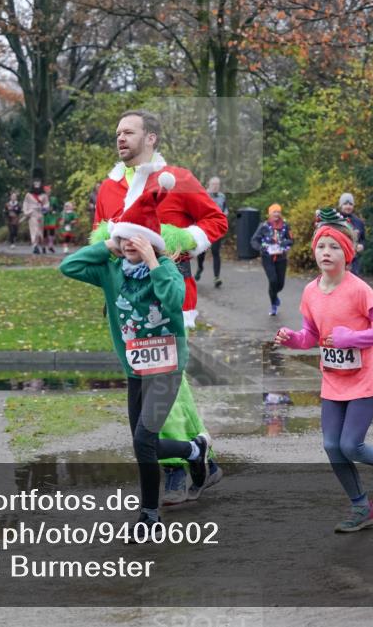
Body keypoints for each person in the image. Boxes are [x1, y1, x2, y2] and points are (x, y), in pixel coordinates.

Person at [60, 179, 212, 537]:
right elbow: (69, 266)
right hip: (136, 369)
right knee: (143, 444)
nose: (130, 244)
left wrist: (152, 260)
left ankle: (148, 515)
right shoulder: (111, 270)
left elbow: (174, 300)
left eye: (137, 238)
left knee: (144, 440)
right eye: (125, 238)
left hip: (168, 367)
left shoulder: (167, 269)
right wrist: (110, 243)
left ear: (152, 243)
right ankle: (194, 450)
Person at [91, 109, 228, 504]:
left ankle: (174, 469)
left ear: (150, 138)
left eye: (129, 132)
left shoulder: (178, 179)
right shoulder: (108, 188)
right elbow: (102, 243)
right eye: (117, 132)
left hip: (170, 296)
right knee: (169, 385)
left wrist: (175, 240)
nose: (120, 138)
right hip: (127, 304)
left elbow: (216, 222)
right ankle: (202, 457)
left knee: (164, 381)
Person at [274, 222, 373, 533]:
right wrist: (293, 339)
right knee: (332, 446)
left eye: (334, 247)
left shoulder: (359, 289)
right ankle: (362, 506)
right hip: (333, 380)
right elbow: (311, 335)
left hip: (362, 380)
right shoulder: (310, 291)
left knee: (351, 445)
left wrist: (351, 337)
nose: (326, 252)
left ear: (346, 254)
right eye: (321, 246)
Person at [251, 204, 294, 316]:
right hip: (267, 257)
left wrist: (283, 244)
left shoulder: (285, 226)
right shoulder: (264, 226)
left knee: (280, 284)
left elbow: (291, 240)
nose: (276, 214)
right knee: (273, 280)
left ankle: (274, 295)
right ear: (270, 213)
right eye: (274, 212)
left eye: (278, 212)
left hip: (281, 257)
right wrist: (261, 248)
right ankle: (273, 304)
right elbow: (254, 240)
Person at [196, 176, 227, 288]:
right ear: (209, 184)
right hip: (204, 229)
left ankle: (216, 277)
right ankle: (200, 267)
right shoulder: (203, 195)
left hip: (216, 228)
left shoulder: (222, 197)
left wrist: (223, 218)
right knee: (201, 252)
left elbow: (225, 210)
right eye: (213, 184)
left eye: (217, 184)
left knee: (215, 251)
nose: (215, 186)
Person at [338, 193, 366, 275]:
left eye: (350, 204)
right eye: (345, 204)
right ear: (341, 205)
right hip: (338, 259)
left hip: (354, 261)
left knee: (353, 284)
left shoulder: (359, 222)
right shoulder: (335, 221)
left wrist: (362, 245)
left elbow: (363, 239)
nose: (348, 206)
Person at [23, 173, 49, 254]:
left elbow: (46, 204)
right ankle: (35, 246)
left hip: (40, 214)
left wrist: (44, 209)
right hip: (32, 214)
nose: (37, 184)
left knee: (40, 232)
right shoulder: (28, 195)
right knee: (34, 231)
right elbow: (25, 204)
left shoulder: (44, 195)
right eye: (35, 183)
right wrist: (26, 212)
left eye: (38, 183)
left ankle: (42, 245)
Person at [43, 185, 58, 253]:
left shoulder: (53, 199)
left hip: (51, 217)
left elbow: (56, 207)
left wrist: (54, 211)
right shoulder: (41, 199)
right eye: (46, 191)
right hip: (44, 217)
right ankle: (44, 246)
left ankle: (50, 245)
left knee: (52, 230)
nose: (48, 192)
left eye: (49, 191)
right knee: (44, 232)